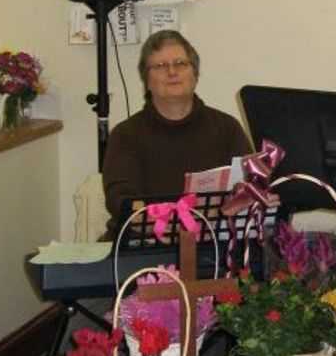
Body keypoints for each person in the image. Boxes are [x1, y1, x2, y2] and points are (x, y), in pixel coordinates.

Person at [102, 29, 252, 236]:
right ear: (146, 79)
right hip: (143, 245)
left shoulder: (227, 128)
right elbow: (120, 199)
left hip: (212, 244)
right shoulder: (126, 134)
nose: (172, 72)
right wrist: (160, 224)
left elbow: (250, 188)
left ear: (195, 74)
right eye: (161, 66)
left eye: (181, 63)